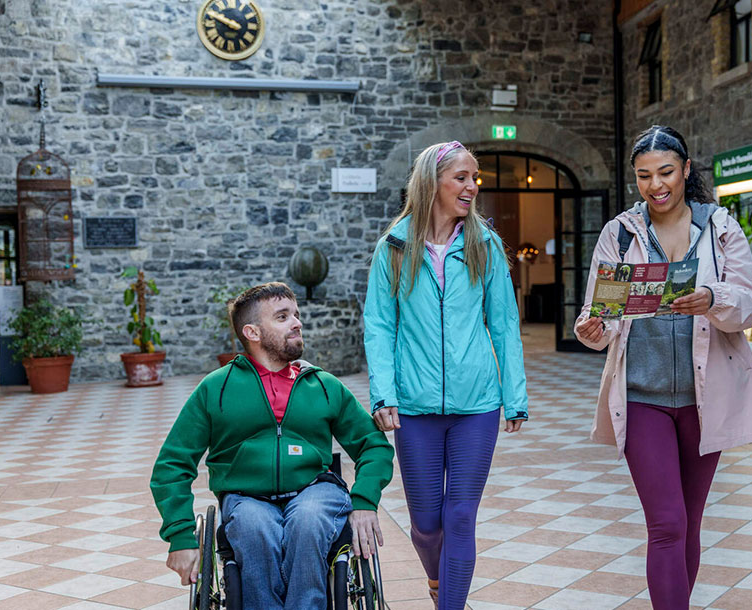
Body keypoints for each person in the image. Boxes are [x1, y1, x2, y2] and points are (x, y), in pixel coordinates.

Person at [574, 125, 752, 610]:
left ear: (686, 170)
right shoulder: (620, 233)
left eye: (665, 172)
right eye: (643, 176)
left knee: (689, 521)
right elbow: (594, 314)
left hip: (706, 402)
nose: (655, 185)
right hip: (642, 398)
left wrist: (711, 298)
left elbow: (747, 305)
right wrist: (593, 328)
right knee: (666, 523)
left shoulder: (721, 227)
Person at [150, 282, 394, 610]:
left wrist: (364, 501)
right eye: (282, 317)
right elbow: (172, 465)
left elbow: (373, 446)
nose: (297, 322)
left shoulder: (324, 385)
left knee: (307, 521)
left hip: (315, 490)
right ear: (252, 332)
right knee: (254, 528)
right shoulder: (216, 388)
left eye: (296, 314)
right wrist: (180, 536)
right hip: (246, 497)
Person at [363, 140, 528, 610]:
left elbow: (504, 324)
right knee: (426, 525)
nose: (472, 187)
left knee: (460, 516)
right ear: (431, 182)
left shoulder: (485, 245)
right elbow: (378, 326)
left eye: (475, 178)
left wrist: (514, 396)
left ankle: (449, 602)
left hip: (477, 405)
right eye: (462, 177)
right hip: (413, 408)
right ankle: (439, 582)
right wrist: (383, 395)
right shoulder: (393, 248)